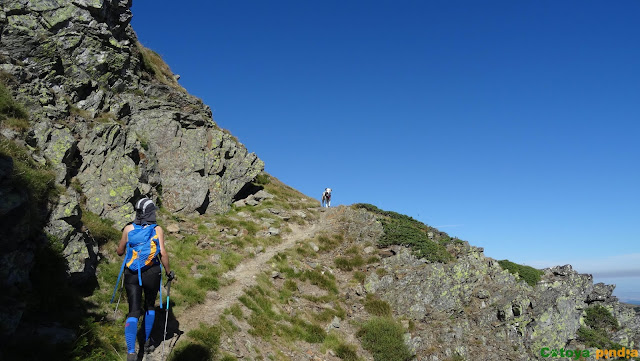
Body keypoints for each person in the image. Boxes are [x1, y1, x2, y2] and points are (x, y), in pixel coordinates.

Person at [116, 197, 173, 361]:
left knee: (133, 310)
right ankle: (147, 341)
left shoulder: (128, 229)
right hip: (152, 273)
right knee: (149, 305)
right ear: (150, 212)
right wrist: (168, 272)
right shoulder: (157, 229)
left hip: (131, 274)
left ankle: (131, 351)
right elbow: (162, 253)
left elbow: (120, 251)